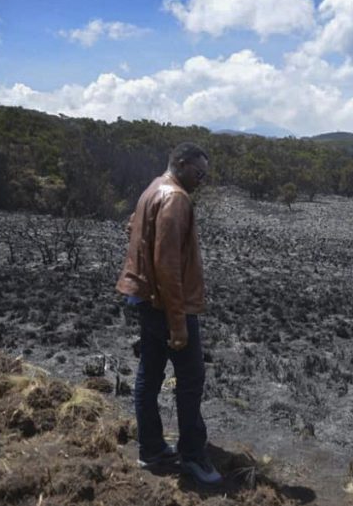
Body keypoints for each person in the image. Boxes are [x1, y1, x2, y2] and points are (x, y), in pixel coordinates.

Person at [116, 142, 221, 486]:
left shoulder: (153, 188)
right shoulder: (175, 198)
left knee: (150, 372)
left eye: (205, 174)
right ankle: (192, 455)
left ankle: (151, 448)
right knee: (191, 379)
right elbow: (167, 264)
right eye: (198, 172)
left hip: (147, 299)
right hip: (167, 305)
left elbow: (133, 227)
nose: (201, 180)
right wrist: (178, 324)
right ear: (181, 164)